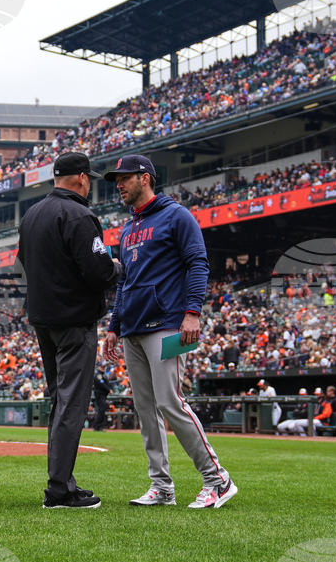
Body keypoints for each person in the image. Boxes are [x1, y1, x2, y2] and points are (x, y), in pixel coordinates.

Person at [101, 154, 236, 509]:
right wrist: (114, 326)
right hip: (131, 327)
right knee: (146, 410)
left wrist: (193, 312)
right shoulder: (127, 228)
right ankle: (161, 487)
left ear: (145, 178)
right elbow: (125, 282)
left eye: (125, 178)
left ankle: (217, 479)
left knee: (170, 403)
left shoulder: (176, 215)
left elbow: (198, 262)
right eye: (117, 179)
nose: (119, 184)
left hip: (167, 324)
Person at [17, 152, 121, 509]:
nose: (89, 182)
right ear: (80, 177)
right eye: (88, 177)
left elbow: (22, 264)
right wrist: (116, 266)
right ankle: (59, 490)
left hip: (43, 318)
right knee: (71, 403)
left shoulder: (31, 213)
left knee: (59, 401)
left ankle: (63, 482)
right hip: (74, 319)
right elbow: (97, 272)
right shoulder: (78, 213)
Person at [91, 366, 113, 432]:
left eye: (104, 367)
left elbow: (106, 383)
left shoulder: (103, 375)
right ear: (98, 367)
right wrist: (108, 389)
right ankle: (97, 426)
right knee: (101, 410)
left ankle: (98, 425)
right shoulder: (98, 375)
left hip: (102, 395)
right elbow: (102, 384)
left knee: (102, 410)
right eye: (102, 367)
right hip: (100, 395)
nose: (103, 368)